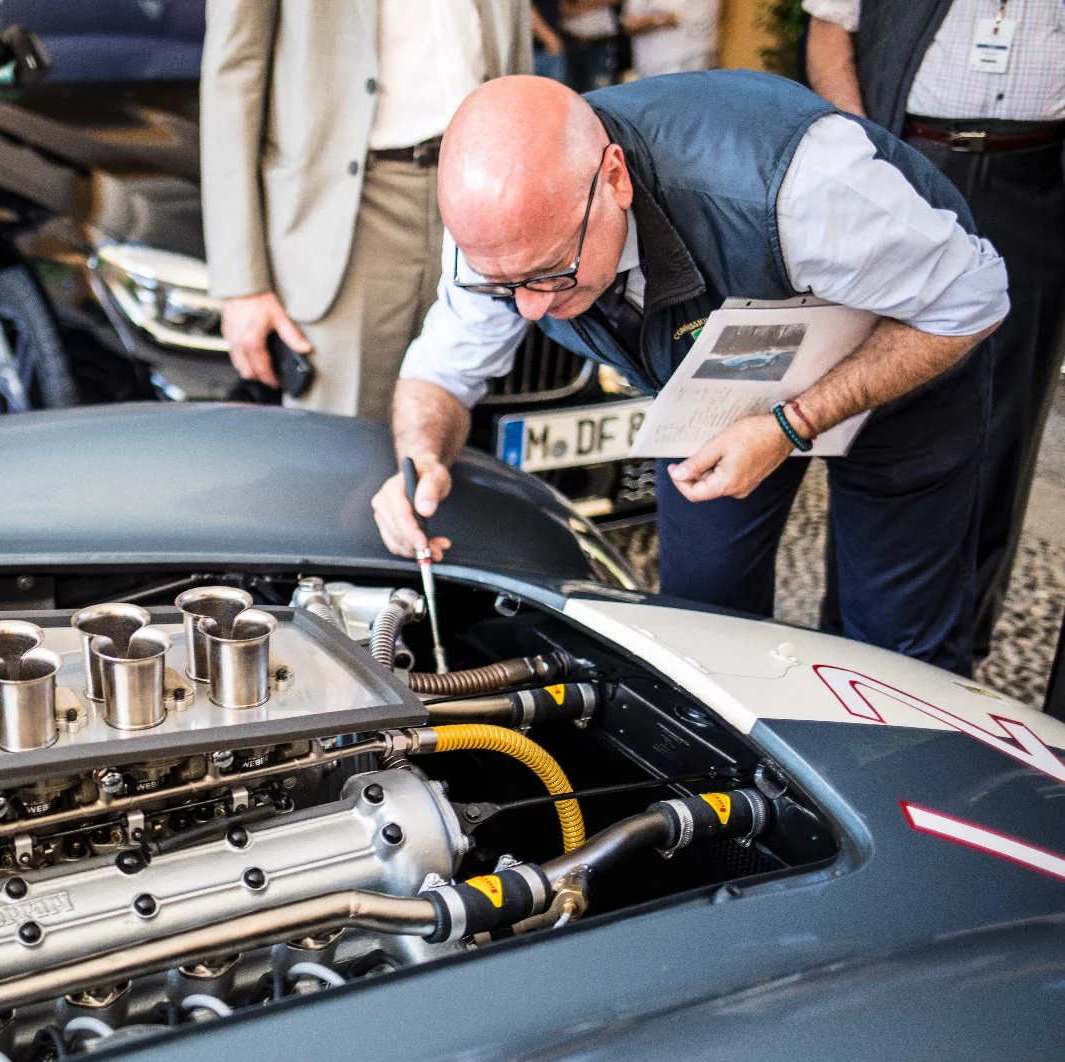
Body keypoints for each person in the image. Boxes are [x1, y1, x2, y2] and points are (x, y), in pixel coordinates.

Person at [372, 73, 1008, 675]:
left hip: (900, 347)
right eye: (504, 285)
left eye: (550, 272)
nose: (530, 307)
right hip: (722, 386)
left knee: (894, 637)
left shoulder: (797, 186)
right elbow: (442, 373)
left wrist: (795, 422)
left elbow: (973, 300)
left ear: (614, 179)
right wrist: (420, 458)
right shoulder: (499, 233)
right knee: (704, 621)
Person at [804, 0, 1064, 660]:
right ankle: (849, 639)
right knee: (878, 406)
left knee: (1004, 430)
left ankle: (961, 650)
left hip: (1037, 177)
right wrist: (863, 161)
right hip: (907, 161)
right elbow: (831, 30)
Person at [201, 0, 533, 422]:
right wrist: (242, 285)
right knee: (343, 452)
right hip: (354, 208)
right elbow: (233, 77)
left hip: (485, 182)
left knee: (466, 439)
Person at [621, 0, 720, 78]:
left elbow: (702, 18)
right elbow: (628, 22)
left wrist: (656, 20)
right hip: (648, 69)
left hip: (687, 63)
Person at [557, 0, 620, 91]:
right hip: (569, 42)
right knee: (569, 92)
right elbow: (560, 8)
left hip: (600, 43)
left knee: (600, 93)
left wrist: (580, 4)